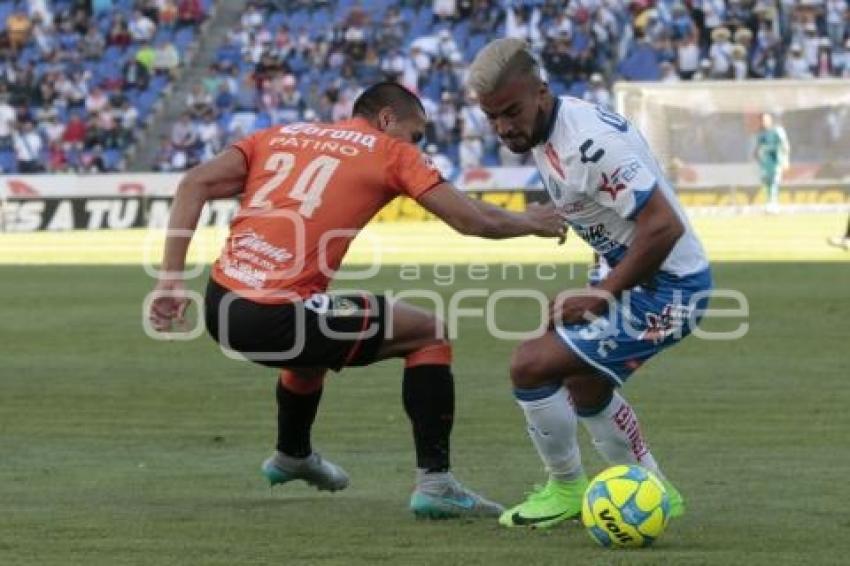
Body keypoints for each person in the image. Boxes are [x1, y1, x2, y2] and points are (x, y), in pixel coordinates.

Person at [147, 82, 565, 519]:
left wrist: (171, 279)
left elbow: (194, 182)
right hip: (275, 316)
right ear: (387, 119)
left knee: (313, 336)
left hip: (222, 305)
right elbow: (471, 219)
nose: (417, 146)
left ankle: (293, 454)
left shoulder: (278, 135)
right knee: (428, 332)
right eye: (416, 134)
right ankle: (436, 484)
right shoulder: (390, 151)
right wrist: (528, 221)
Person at [467, 39, 712, 528]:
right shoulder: (552, 129)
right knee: (584, 380)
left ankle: (565, 488)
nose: (503, 128)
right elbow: (608, 211)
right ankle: (655, 491)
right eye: (492, 117)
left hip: (671, 288)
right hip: (632, 271)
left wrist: (602, 294)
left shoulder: (586, 143)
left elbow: (663, 226)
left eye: (511, 112)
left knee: (531, 364)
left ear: (541, 92)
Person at [755, 113, 790, 214]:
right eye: (762, 120)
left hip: (776, 160)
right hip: (766, 163)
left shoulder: (777, 131)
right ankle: (769, 203)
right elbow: (758, 148)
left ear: (770, 120)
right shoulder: (761, 133)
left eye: (765, 119)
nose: (764, 122)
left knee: (774, 181)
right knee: (767, 183)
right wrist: (759, 158)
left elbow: (785, 145)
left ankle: (773, 204)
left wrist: (786, 159)